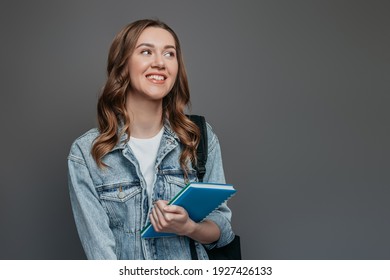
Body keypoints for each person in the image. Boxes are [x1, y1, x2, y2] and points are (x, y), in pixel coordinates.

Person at [67, 19, 234, 260]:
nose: (159, 63)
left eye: (169, 54)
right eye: (146, 51)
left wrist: (189, 228)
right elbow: (101, 256)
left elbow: (223, 231)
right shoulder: (86, 153)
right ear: (123, 64)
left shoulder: (198, 137)